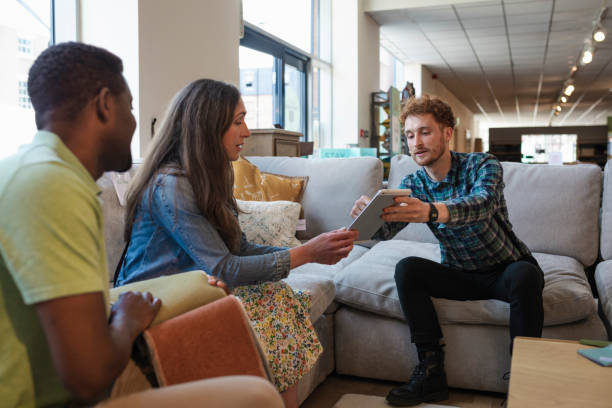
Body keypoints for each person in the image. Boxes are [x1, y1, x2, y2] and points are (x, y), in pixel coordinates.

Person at [0, 42, 283, 408]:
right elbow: (88, 378)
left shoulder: (35, 169)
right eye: (130, 107)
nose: (135, 122)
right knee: (256, 396)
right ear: (105, 104)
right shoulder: (53, 186)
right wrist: (127, 321)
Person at [116, 78, 359, 408]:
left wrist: (310, 251)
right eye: (237, 121)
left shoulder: (213, 175)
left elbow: (239, 248)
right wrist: (305, 253)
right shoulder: (171, 185)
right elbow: (224, 267)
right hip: (152, 295)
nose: (246, 131)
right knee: (273, 301)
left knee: (276, 297)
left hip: (198, 283)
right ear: (206, 126)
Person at [350, 95, 544, 407]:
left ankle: (526, 382)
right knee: (408, 269)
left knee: (526, 275)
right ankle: (431, 374)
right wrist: (368, 216)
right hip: (460, 273)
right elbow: (384, 232)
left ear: (447, 133)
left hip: (505, 270)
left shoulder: (483, 165)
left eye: (425, 132)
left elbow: (482, 204)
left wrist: (431, 211)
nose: (416, 143)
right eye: (410, 135)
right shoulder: (413, 183)